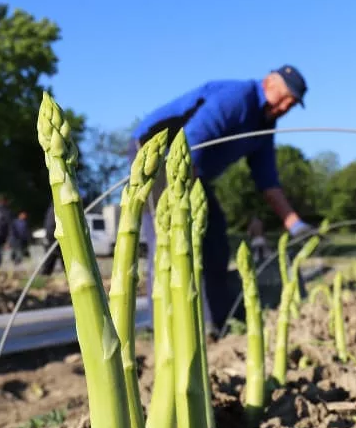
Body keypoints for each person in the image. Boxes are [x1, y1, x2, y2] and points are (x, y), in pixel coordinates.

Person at [130, 65, 314, 331]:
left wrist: (296, 225)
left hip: (195, 174)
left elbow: (267, 180)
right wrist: (179, 202)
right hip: (158, 159)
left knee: (215, 241)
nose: (286, 107)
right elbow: (190, 143)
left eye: (293, 104)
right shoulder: (238, 98)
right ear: (269, 82)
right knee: (167, 243)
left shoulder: (265, 124)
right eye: (285, 97)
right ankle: (165, 328)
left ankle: (214, 323)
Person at [42, 202, 61, 274]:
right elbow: (51, 225)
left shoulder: (52, 209)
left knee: (52, 256)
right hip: (53, 238)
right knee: (52, 256)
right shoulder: (54, 209)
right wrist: (53, 237)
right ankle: (45, 274)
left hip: (52, 237)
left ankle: (45, 273)